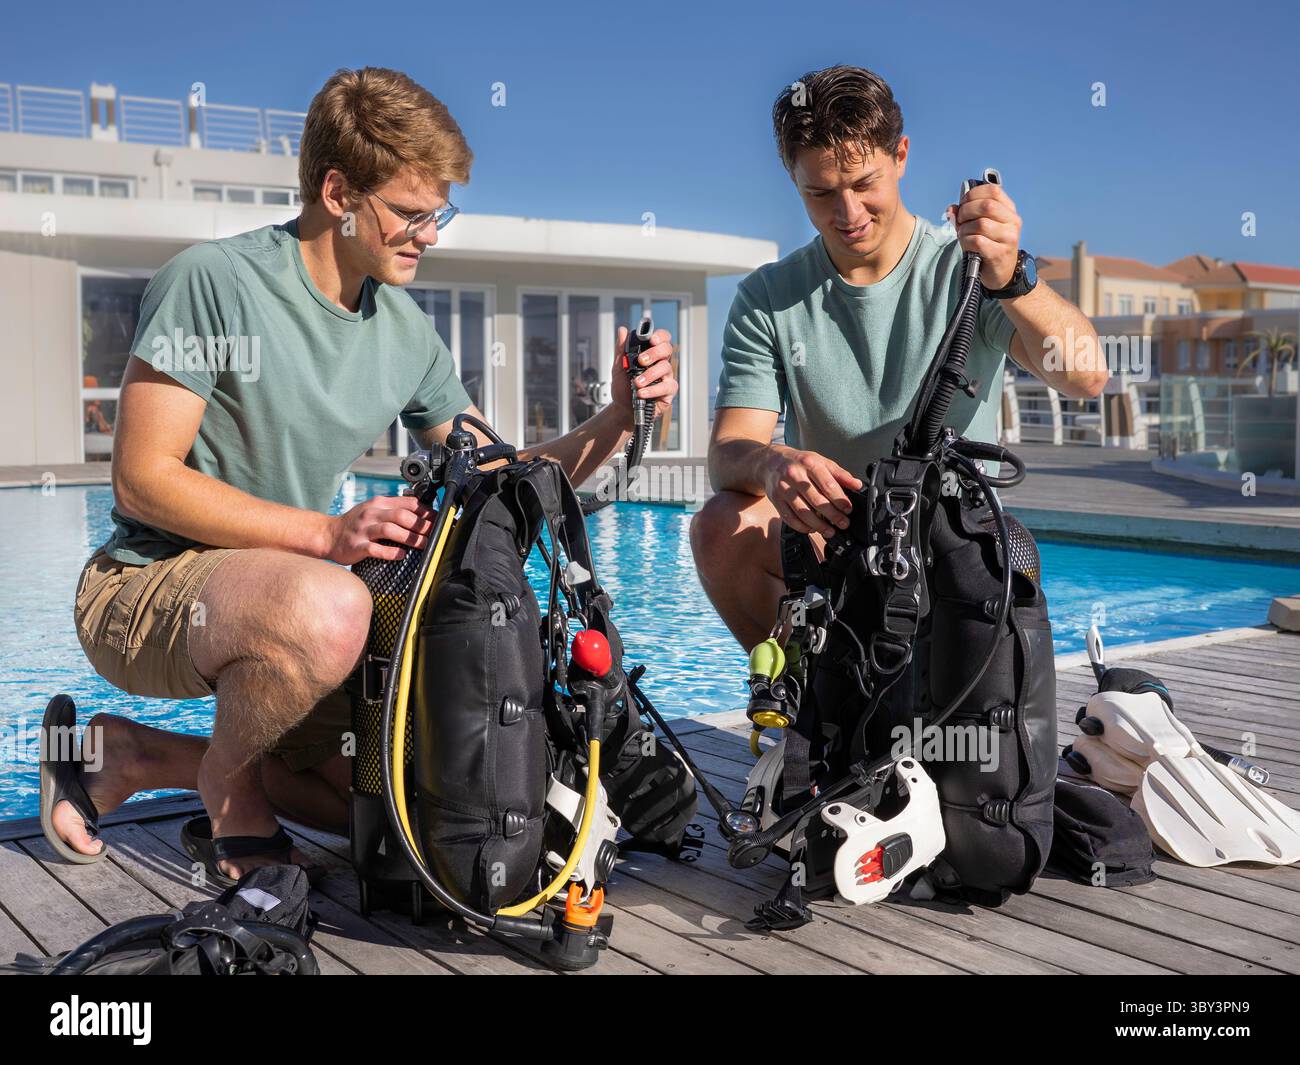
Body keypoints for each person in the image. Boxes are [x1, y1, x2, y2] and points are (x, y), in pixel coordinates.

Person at [46, 67, 678, 881]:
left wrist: (620, 414)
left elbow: (510, 476)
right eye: (411, 213)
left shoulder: (402, 331)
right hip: (145, 585)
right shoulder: (214, 283)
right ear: (338, 191)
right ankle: (227, 787)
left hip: (293, 604)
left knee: (397, 796)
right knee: (340, 602)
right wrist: (325, 533)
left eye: (438, 212)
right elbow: (140, 479)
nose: (430, 234)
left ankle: (126, 755)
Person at [691, 64, 1108, 651]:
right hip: (835, 541)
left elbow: (1087, 374)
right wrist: (770, 464)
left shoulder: (969, 270)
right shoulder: (768, 295)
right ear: (792, 177)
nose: (848, 213)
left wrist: (1015, 279)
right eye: (820, 192)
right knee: (719, 528)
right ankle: (809, 711)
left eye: (864, 183)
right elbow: (730, 453)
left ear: (901, 155)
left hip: (949, 541)